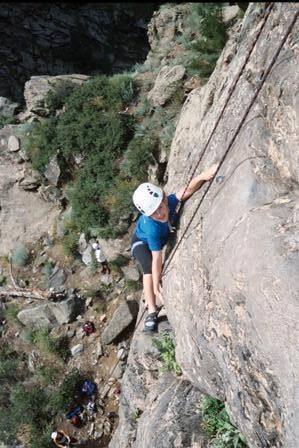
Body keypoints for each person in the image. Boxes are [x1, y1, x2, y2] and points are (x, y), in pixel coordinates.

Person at [131, 163, 219, 333]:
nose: (160, 214)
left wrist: (204, 176)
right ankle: (151, 311)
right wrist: (156, 286)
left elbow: (186, 191)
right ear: (148, 216)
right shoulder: (152, 227)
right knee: (148, 269)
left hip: (155, 238)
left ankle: (150, 299)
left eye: (160, 207)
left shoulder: (167, 203)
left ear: (164, 199)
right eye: (154, 213)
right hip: (140, 242)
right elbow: (157, 258)